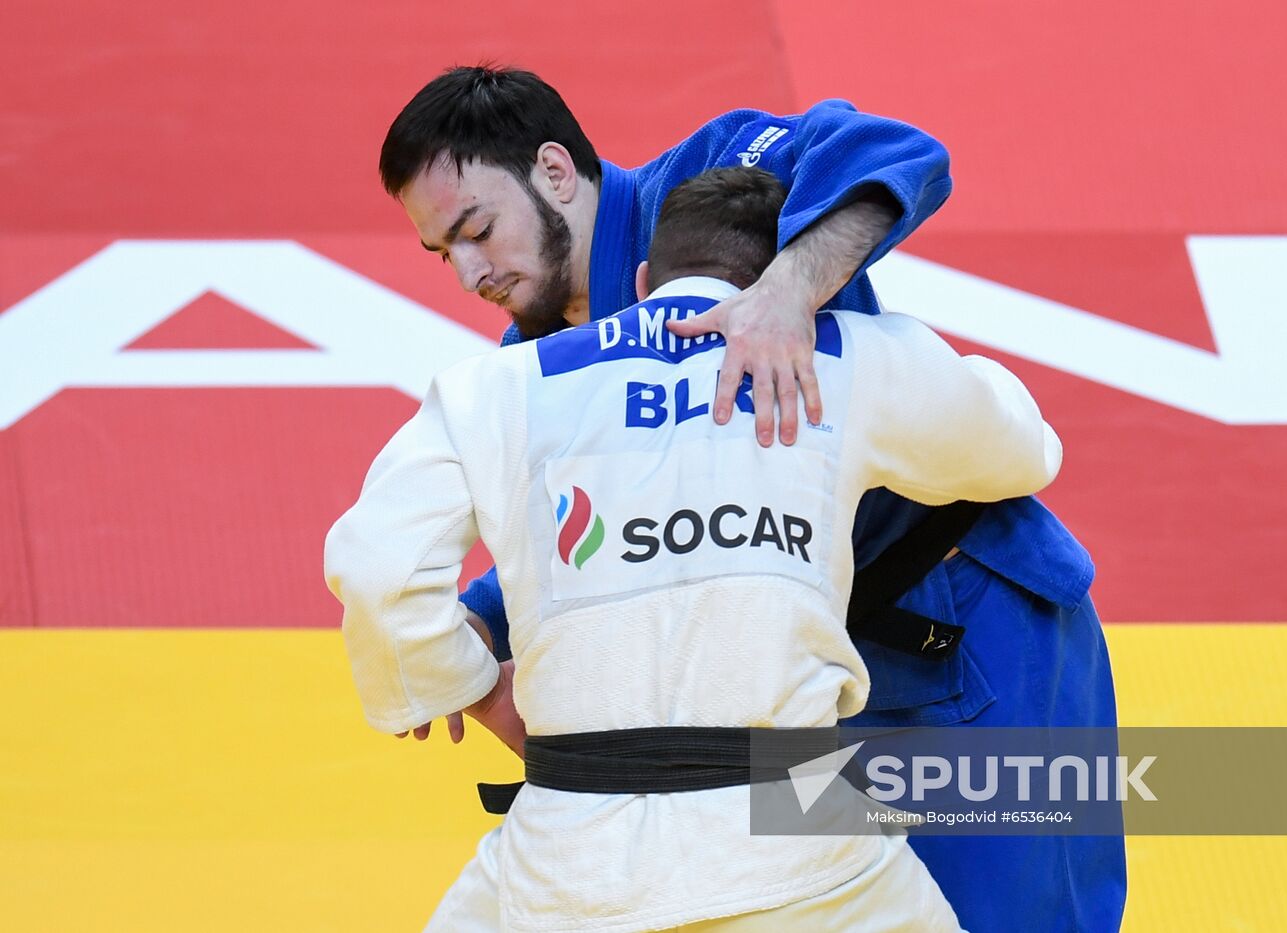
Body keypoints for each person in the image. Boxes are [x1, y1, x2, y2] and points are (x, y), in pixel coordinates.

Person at [379, 66, 1125, 931]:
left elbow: (896, 152)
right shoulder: (540, 347)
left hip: (969, 626)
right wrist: (481, 621)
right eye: (444, 252)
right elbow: (606, 518)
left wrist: (785, 292)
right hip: (797, 681)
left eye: (477, 230)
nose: (469, 271)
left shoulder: (705, 187)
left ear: (553, 171)